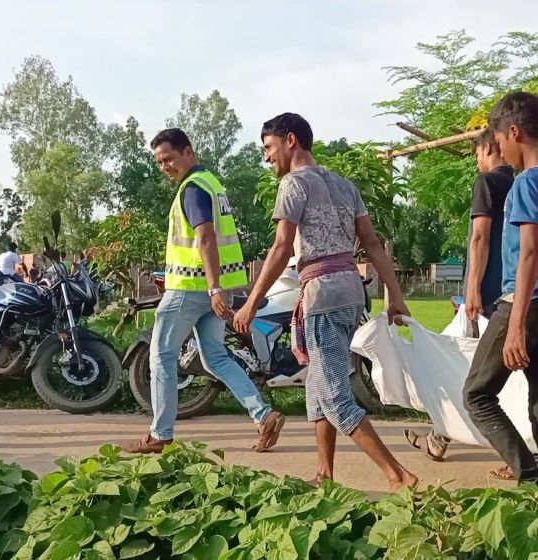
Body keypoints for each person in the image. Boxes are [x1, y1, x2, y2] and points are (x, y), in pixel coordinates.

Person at [233, 113, 417, 491]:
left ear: (291, 141)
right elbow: (372, 244)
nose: (267, 158)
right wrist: (395, 296)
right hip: (351, 289)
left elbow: (282, 247)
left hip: (322, 294)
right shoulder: (344, 185)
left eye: (269, 148)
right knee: (317, 388)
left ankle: (398, 476)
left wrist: (252, 301)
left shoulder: (293, 184)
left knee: (334, 397)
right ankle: (325, 475)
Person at [124, 128, 284, 454]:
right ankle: (263, 414)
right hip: (214, 290)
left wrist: (212, 288)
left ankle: (160, 435)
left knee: (162, 357)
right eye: (159, 162)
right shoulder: (213, 184)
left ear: (188, 152)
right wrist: (217, 290)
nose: (164, 166)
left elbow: (206, 237)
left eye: (168, 158)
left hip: (190, 289)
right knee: (217, 357)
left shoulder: (193, 189)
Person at [462, 92, 538, 493]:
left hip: (526, 304)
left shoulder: (527, 183)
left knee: (476, 394)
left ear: (514, 131)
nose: (501, 150)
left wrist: (513, 326)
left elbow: (529, 252)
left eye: (500, 140)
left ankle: (534, 481)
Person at [404, 128, 514, 467]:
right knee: (483, 373)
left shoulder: (488, 184)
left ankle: (517, 458)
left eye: (477, 154)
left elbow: (479, 238)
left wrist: (471, 289)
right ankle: (440, 436)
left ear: (486, 148)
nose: (476, 161)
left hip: (487, 297)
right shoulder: (521, 184)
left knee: (469, 373)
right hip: (512, 292)